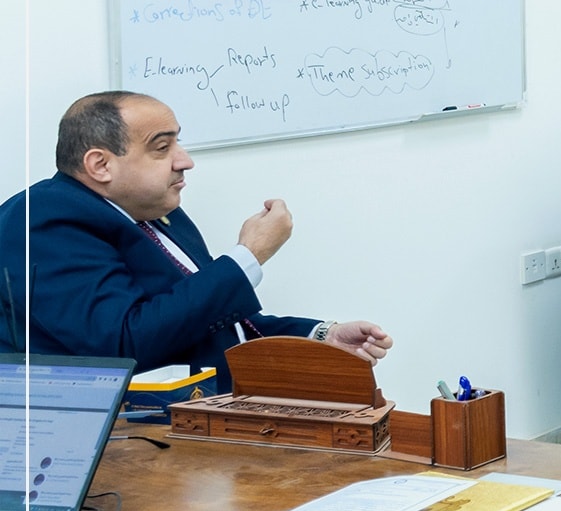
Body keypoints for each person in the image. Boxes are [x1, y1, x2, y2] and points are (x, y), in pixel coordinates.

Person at [0, 91, 391, 383]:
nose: (184, 160)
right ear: (100, 165)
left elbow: (205, 320)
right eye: (162, 147)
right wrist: (248, 256)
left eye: (178, 142)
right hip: (122, 439)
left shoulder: (157, 211)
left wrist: (318, 336)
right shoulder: (44, 220)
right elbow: (122, 346)